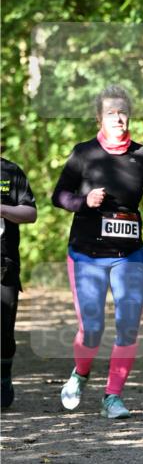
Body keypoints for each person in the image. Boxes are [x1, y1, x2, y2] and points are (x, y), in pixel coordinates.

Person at [52, 85, 143, 419]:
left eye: (122, 112)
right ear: (99, 118)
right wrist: (84, 201)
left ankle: (112, 396)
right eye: (110, 113)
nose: (118, 118)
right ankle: (81, 372)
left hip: (128, 255)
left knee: (128, 325)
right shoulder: (84, 153)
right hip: (86, 254)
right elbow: (59, 196)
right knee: (91, 329)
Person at [1, 155, 38, 408]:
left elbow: (31, 213)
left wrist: (3, 209)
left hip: (4, 265)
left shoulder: (10, 171)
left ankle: (3, 377)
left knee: (3, 331)